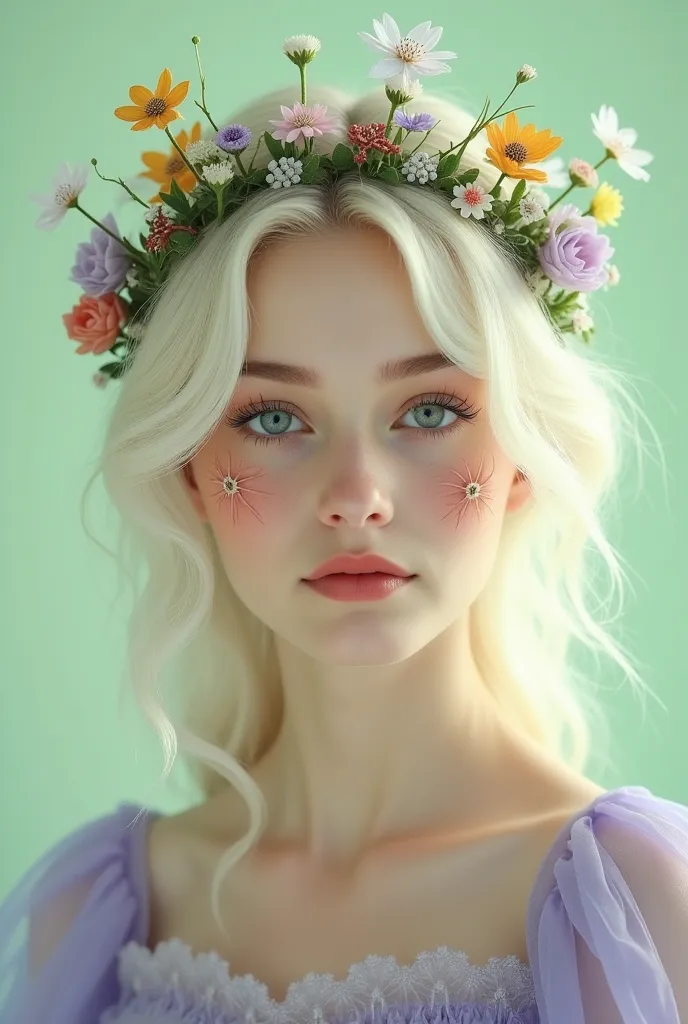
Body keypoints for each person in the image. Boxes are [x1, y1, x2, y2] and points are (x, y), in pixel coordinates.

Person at [3, 16, 687, 1024]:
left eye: (430, 411)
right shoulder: (99, 910)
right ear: (190, 467)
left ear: (523, 464)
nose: (356, 492)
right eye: (273, 417)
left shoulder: (640, 903)